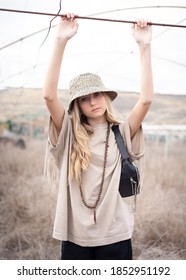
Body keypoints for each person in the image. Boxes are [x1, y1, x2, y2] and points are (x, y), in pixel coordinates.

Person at [43, 13, 153, 260]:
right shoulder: (69, 134)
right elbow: (49, 97)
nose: (93, 102)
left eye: (97, 95)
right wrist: (60, 39)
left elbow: (145, 100)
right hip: (75, 239)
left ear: (105, 96)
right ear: (77, 106)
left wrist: (144, 45)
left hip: (116, 236)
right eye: (84, 98)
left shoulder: (122, 131)